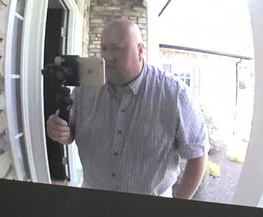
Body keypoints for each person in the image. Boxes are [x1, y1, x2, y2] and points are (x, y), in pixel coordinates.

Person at [46, 18, 208, 199]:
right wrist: (62, 132)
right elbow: (71, 133)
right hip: (93, 200)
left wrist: (178, 206)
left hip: (151, 209)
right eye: (104, 48)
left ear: (140, 50)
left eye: (117, 48)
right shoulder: (85, 89)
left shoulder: (175, 94)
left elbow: (198, 154)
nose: (108, 57)